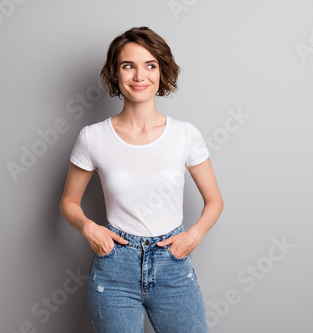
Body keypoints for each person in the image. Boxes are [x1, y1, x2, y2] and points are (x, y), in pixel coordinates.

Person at [59, 26, 223, 333]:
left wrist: (194, 235)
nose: (139, 76)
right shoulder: (93, 137)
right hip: (114, 269)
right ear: (115, 73)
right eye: (128, 66)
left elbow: (215, 201)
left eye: (150, 65)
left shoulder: (185, 135)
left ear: (162, 71)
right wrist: (88, 228)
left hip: (172, 266)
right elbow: (69, 202)